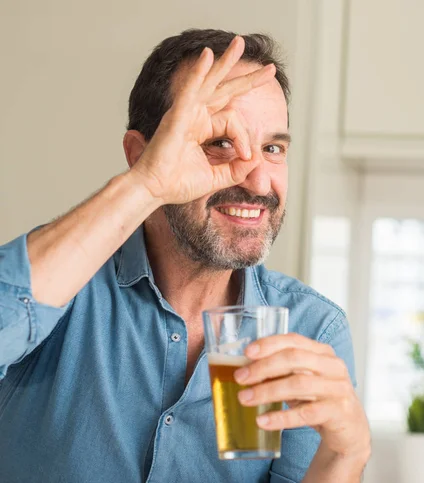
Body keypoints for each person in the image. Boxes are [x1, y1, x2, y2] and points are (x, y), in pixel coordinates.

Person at [0, 29, 370, 482]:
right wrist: (145, 185)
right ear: (140, 154)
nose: (256, 182)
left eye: (273, 148)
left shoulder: (312, 330)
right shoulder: (62, 285)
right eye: (219, 142)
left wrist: (344, 457)